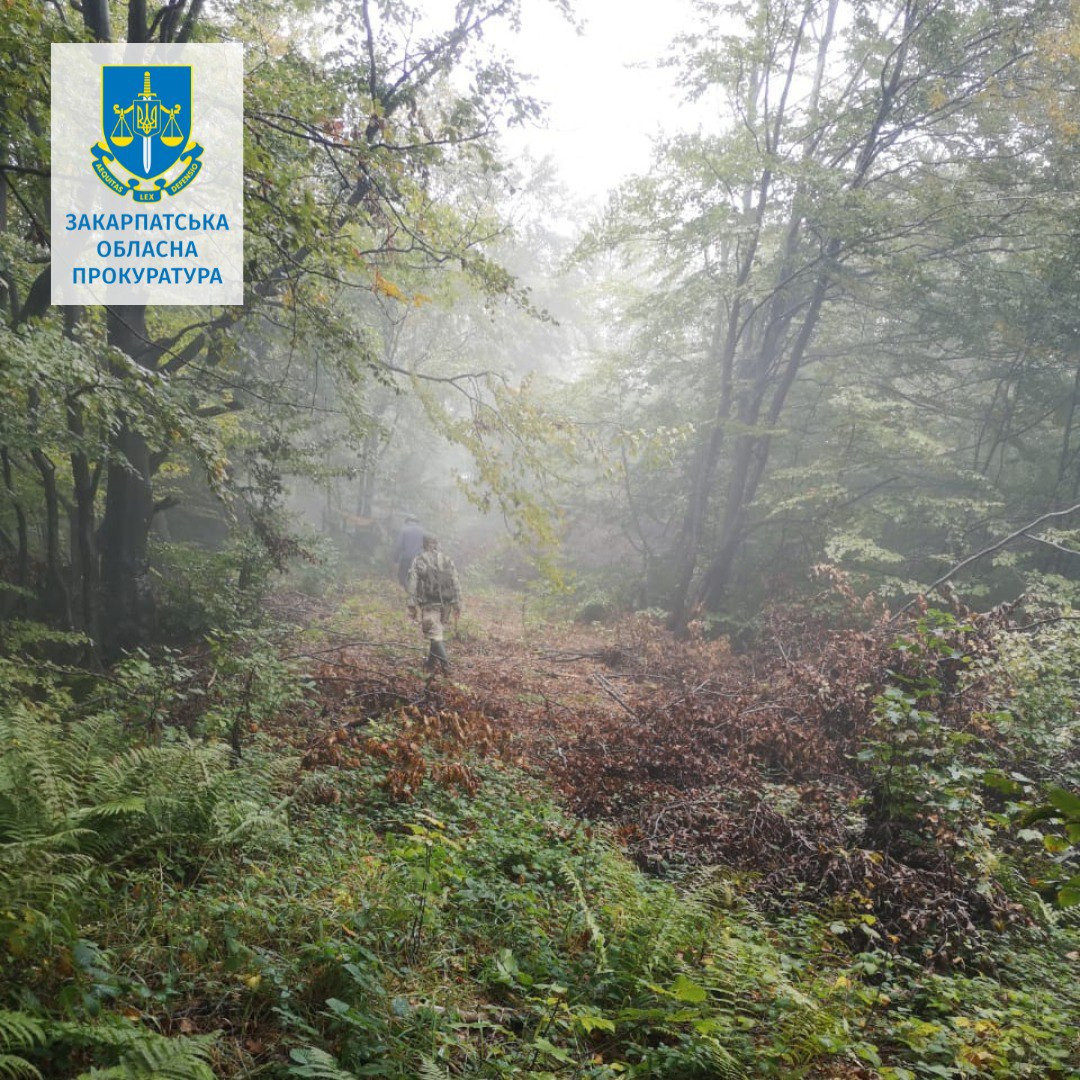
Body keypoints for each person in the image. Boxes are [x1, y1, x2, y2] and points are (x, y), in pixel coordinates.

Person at [406, 534, 461, 674]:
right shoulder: (447, 559)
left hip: (429, 602)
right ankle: (430, 664)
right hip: (446, 603)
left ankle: (446, 666)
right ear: (437, 544)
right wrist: (457, 602)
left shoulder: (419, 560)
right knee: (436, 632)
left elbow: (413, 581)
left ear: (424, 544)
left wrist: (411, 603)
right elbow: (455, 580)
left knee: (435, 635)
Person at [391, 514, 424, 588]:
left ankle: (406, 590)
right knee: (413, 576)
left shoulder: (404, 529)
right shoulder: (421, 531)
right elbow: (423, 545)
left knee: (402, 575)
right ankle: (412, 590)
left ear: (407, 521)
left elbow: (399, 545)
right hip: (418, 558)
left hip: (407, 557)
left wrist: (396, 558)